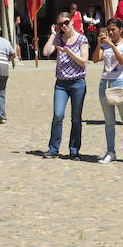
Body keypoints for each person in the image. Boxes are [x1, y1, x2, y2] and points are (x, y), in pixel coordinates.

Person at [42, 12, 88, 159]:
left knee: (76, 118)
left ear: (72, 21)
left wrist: (68, 52)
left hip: (78, 83)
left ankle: (74, 150)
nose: (64, 26)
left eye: (66, 22)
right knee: (58, 115)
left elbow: (84, 61)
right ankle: (53, 149)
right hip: (61, 84)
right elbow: (46, 52)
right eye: (60, 24)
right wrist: (53, 35)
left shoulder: (82, 39)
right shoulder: (58, 39)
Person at [93, 20, 123, 165]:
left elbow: (122, 60)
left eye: (113, 30)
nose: (111, 33)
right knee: (109, 121)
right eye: (109, 30)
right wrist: (99, 44)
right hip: (105, 82)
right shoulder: (105, 45)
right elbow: (94, 59)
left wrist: (112, 45)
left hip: (121, 82)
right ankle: (110, 151)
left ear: (120, 29)